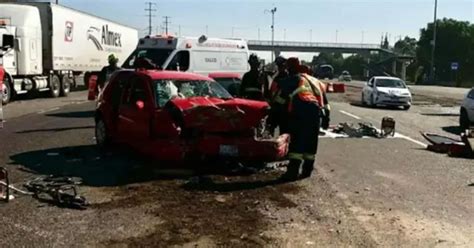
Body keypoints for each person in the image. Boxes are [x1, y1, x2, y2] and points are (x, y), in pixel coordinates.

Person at [276, 57, 330, 181]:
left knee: (297, 143)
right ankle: (307, 171)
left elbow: (280, 100)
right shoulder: (316, 81)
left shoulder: (294, 79)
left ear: (290, 68)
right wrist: (326, 119)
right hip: (316, 114)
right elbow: (325, 103)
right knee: (311, 143)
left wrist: (274, 115)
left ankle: (292, 172)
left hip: (301, 112)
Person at [268, 56, 290, 135]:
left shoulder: (282, 78)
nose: (280, 67)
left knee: (283, 131)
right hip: (281, 108)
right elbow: (272, 92)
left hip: (283, 108)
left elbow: (272, 93)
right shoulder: (278, 78)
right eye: (279, 66)